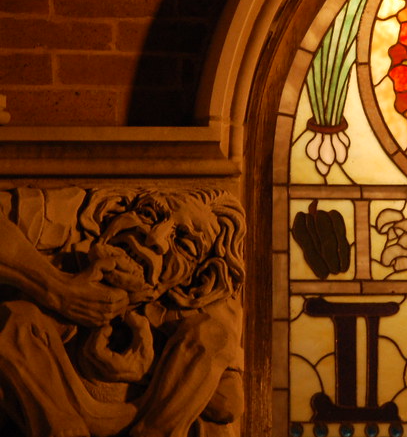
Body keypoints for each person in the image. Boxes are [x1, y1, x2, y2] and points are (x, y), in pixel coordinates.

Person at [0, 187, 245, 437]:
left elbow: (228, 402)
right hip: (54, 402)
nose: (155, 238)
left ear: (198, 278)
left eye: (183, 243)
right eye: (149, 214)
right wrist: (56, 287)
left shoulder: (204, 300)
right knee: (15, 318)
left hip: (133, 415)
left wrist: (151, 370)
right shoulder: (79, 214)